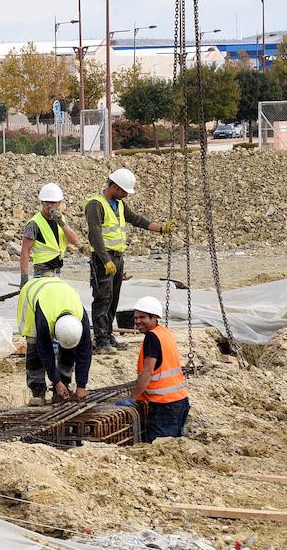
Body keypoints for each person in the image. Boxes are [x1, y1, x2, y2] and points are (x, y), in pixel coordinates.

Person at [84, 168, 176, 352]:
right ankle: (101, 341)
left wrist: (161, 229)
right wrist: (105, 260)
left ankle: (108, 336)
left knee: (113, 298)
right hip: (103, 259)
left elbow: (137, 220)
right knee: (103, 298)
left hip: (117, 258)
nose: (126, 195)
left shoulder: (119, 205)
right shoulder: (96, 205)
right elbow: (95, 236)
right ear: (115, 186)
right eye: (124, 191)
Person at [16, 267, 93, 406]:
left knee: (69, 349)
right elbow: (45, 352)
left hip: (60, 294)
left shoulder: (81, 319)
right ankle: (38, 390)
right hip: (33, 293)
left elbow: (84, 353)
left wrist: (82, 385)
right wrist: (55, 380)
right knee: (34, 343)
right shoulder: (44, 321)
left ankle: (64, 385)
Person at [117, 296, 190, 440]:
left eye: (142, 317)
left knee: (159, 445)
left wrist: (133, 397)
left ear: (155, 317)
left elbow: (148, 371)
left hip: (165, 406)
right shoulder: (165, 333)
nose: (137, 321)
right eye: (136, 317)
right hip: (180, 401)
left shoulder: (152, 337)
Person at [19, 182, 84, 287]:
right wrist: (24, 278)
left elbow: (75, 241)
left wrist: (61, 223)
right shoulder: (34, 224)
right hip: (43, 271)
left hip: (57, 270)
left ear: (59, 203)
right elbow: (25, 251)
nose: (49, 206)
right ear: (41, 202)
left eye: (53, 202)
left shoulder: (60, 219)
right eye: (46, 202)